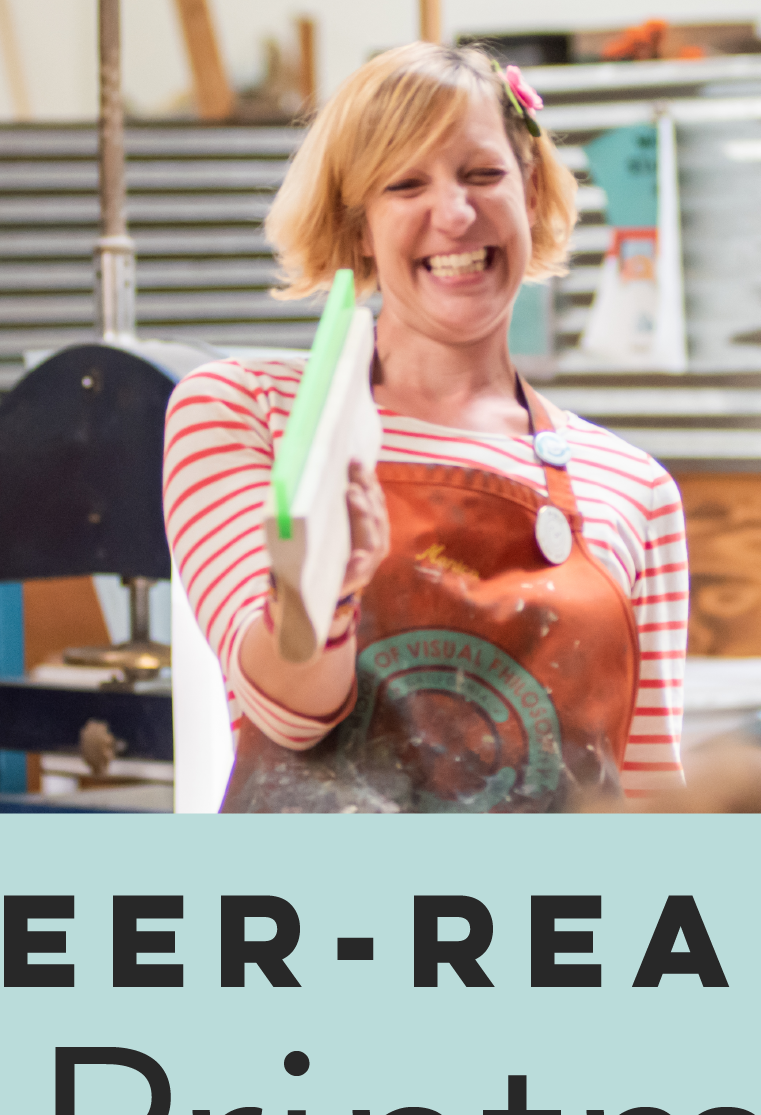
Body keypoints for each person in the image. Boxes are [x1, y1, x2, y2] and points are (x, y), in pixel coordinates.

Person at [163, 43, 687, 812]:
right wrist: (319, 593)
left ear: (532, 190)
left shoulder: (635, 488)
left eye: (483, 175)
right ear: (360, 229)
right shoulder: (249, 413)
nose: (455, 213)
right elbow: (289, 712)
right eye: (406, 184)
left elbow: (649, 795)